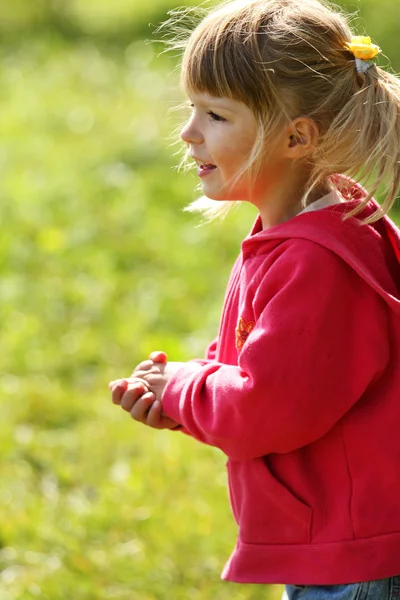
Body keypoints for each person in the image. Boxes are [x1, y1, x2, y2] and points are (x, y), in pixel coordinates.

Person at [109, 0, 400, 597]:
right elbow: (270, 373)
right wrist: (181, 399)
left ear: (296, 137)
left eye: (215, 114)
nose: (189, 132)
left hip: (353, 559)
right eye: (191, 108)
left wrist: (188, 389)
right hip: (340, 541)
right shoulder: (321, 226)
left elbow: (267, 406)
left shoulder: (317, 264)